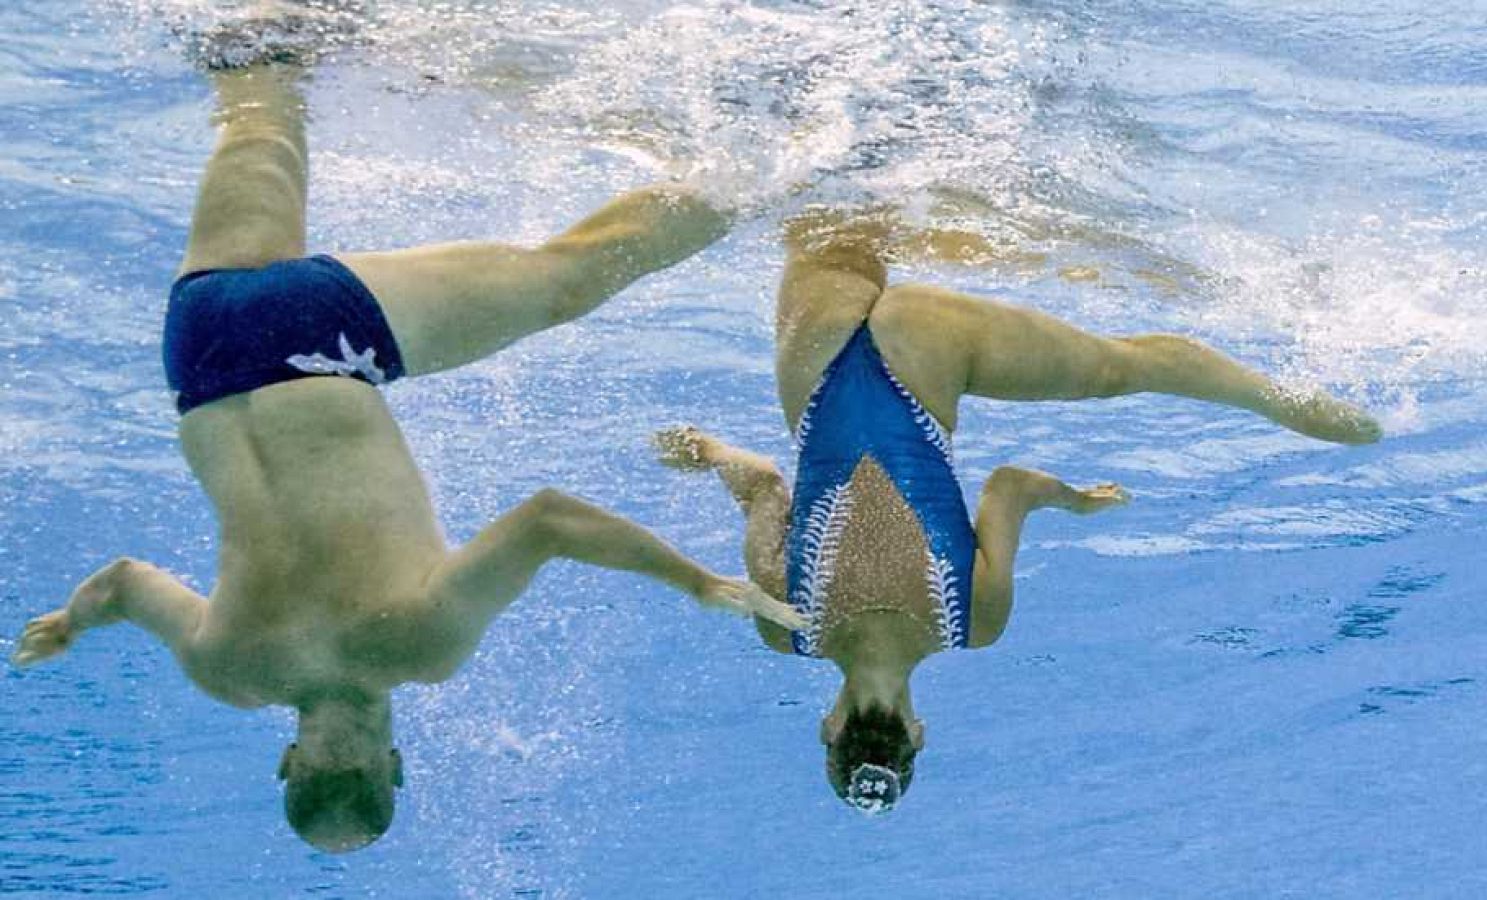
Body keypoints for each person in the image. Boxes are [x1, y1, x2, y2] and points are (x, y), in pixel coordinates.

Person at [8, 37, 803, 852]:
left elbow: (548, 520)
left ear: (393, 766)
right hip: (202, 351)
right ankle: (265, 40)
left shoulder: (418, 646)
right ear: (287, 765)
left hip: (323, 343)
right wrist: (71, 623)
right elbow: (124, 584)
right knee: (259, 101)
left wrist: (697, 582)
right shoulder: (229, 671)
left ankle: (776, 167)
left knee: (568, 279)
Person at [656, 209, 1381, 814]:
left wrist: (1074, 501)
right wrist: (709, 450)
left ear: (918, 732)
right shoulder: (784, 628)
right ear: (829, 728)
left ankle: (1291, 404)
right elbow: (761, 486)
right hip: (819, 369)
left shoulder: (975, 622)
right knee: (832, 204)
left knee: (1124, 367)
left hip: (926, 350)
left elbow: (1008, 486)